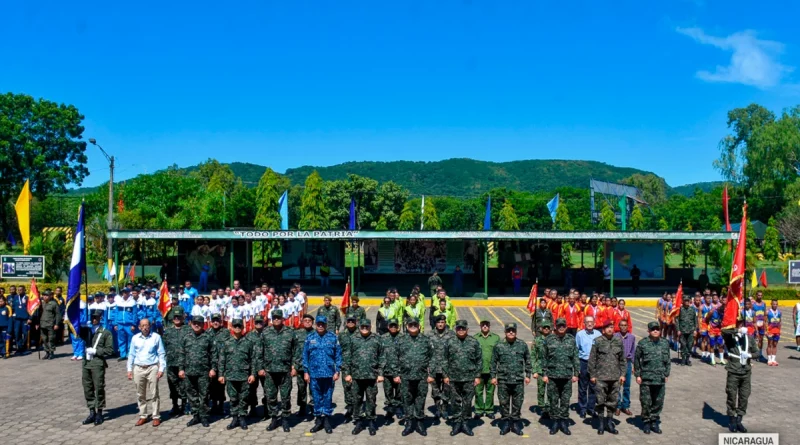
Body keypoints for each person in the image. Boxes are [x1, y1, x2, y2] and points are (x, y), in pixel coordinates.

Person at [259, 309, 297, 432]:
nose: (276, 319)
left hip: (285, 370)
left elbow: (296, 351)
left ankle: (285, 419)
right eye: (274, 317)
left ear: (283, 319)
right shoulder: (265, 332)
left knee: (285, 397)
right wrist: (260, 367)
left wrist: (294, 366)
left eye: (278, 318)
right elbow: (259, 351)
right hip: (269, 371)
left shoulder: (290, 332)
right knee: (271, 397)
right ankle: (274, 419)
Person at [343, 318, 384, 436]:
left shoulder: (377, 339)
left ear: (370, 327)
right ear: (359, 327)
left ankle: (371, 421)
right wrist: (347, 373)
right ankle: (359, 422)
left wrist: (380, 373)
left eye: (367, 327)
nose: (365, 329)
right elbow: (347, 357)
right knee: (357, 400)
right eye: (363, 327)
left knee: (371, 400)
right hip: (356, 376)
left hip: (372, 376)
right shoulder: (353, 339)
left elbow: (382, 357)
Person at [490, 322, 531, 436]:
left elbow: (527, 360)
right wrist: (493, 377)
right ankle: (506, 423)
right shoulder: (499, 345)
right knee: (504, 403)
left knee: (517, 403)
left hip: (518, 380)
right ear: (505, 332)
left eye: (513, 330)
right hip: (503, 380)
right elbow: (493, 362)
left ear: (516, 332)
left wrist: (528, 375)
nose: (511, 332)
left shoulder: (522, 345)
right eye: (509, 330)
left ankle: (516, 423)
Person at [443, 319, 482, 436]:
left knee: (467, 402)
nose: (461, 330)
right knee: (455, 401)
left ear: (467, 330)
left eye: (463, 328)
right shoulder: (449, 342)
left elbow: (479, 360)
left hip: (469, 378)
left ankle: (465, 422)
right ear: (456, 330)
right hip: (453, 378)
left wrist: (477, 376)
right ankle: (456, 423)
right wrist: (445, 375)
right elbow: (445, 359)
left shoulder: (474, 342)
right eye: (458, 328)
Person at [304, 315, 341, 434]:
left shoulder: (333, 337)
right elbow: (305, 356)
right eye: (318, 324)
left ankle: (327, 420)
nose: (320, 326)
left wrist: (337, 370)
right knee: (316, 398)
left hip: (329, 374)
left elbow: (338, 355)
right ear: (316, 324)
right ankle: (318, 420)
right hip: (314, 374)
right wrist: (306, 372)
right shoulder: (310, 337)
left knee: (328, 397)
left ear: (326, 325)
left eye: (322, 324)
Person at [218, 318, 257, 430]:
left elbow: (253, 360)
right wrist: (221, 375)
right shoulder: (226, 343)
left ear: (243, 328)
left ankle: (242, 417)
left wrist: (253, 374)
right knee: (233, 398)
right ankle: (235, 418)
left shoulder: (248, 343)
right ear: (231, 327)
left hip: (244, 376)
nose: (237, 328)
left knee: (244, 398)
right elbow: (222, 360)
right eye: (235, 326)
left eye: (239, 326)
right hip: (230, 375)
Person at [542, 318, 579, 435]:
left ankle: (563, 422)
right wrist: (544, 374)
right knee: (553, 400)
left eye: (563, 325)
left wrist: (576, 373)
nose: (561, 327)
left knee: (565, 400)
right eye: (559, 326)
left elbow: (575, 357)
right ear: (555, 327)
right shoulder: (549, 339)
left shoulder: (571, 339)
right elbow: (544, 358)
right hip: (552, 375)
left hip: (567, 375)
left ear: (566, 327)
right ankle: (554, 422)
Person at [396, 317, 432, 437]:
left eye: (415, 324)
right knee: (407, 399)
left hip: (422, 376)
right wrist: (396, 374)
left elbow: (433, 358)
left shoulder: (426, 340)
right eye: (410, 324)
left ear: (419, 326)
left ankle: (420, 422)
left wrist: (431, 374)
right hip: (405, 376)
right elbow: (393, 357)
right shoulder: (401, 340)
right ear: (406, 327)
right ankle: (409, 422)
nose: (413, 326)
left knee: (420, 399)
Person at [588, 320, 625, 435]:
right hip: (600, 377)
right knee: (600, 402)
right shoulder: (597, 341)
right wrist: (592, 375)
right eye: (607, 327)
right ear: (603, 330)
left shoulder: (618, 341)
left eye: (612, 327)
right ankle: (601, 424)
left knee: (612, 402)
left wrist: (623, 374)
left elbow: (623, 360)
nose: (610, 329)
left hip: (615, 378)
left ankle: (609, 423)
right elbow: (592, 359)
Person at [127, 318, 167, 427]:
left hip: (152, 368)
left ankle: (156, 416)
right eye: (142, 325)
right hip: (138, 368)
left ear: (150, 326)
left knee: (154, 393)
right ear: (139, 327)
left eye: (147, 325)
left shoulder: (156, 337)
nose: (145, 327)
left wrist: (161, 369)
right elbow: (131, 354)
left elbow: (161, 354)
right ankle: (143, 415)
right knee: (140, 394)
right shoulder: (135, 338)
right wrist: (129, 369)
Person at [179, 314, 216, 427]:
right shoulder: (186, 337)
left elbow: (214, 354)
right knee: (192, 395)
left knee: (204, 395)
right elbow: (181, 354)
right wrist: (181, 369)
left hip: (203, 372)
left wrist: (213, 368)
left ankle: (204, 416)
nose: (196, 325)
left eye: (199, 323)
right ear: (191, 324)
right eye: (194, 323)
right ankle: (196, 416)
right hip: (189, 372)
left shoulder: (208, 337)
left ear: (203, 324)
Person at [634, 321, 671, 434]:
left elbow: (668, 360)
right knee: (646, 401)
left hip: (659, 378)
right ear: (649, 331)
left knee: (658, 401)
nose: (655, 331)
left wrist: (666, 374)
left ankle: (654, 420)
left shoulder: (665, 343)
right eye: (653, 329)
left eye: (657, 329)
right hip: (646, 378)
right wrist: (638, 375)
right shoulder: (643, 343)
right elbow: (637, 360)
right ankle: (646, 421)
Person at [724, 320, 759, 433]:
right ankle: (732, 420)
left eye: (742, 325)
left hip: (746, 372)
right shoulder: (731, 338)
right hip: (734, 371)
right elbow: (723, 331)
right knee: (731, 396)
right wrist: (736, 331)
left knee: (744, 396)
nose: (741, 327)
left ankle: (739, 419)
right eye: (739, 325)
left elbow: (757, 352)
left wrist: (750, 355)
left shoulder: (749, 338)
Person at [81, 309, 114, 426]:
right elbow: (74, 330)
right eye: (92, 317)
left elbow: (110, 350)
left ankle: (99, 412)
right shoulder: (87, 330)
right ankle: (91, 411)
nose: (94, 319)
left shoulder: (105, 332)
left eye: (96, 317)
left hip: (97, 363)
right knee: (87, 387)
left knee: (99, 387)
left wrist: (96, 351)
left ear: (100, 318)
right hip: (86, 363)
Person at [162, 306, 188, 416]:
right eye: (175, 317)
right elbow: (163, 346)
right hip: (171, 363)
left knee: (185, 385)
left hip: (184, 364)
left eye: (179, 317)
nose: (177, 318)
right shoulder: (168, 331)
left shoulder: (188, 330)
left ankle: (184, 405)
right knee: (172, 385)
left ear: (183, 318)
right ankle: (175, 405)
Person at [428, 314, 455, 421]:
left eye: (442, 322)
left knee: (447, 389)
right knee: (435, 390)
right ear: (435, 324)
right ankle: (437, 409)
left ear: (445, 323)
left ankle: (444, 409)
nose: (440, 324)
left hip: (446, 368)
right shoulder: (429, 335)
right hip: (433, 368)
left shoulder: (451, 334)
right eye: (438, 322)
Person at [474, 319, 500, 419]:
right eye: (483, 324)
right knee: (478, 391)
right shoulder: (475, 338)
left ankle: (489, 410)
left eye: (486, 324)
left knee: (490, 392)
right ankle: (479, 410)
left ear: (489, 326)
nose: (485, 326)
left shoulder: (495, 338)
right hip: (479, 371)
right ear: (480, 326)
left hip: (491, 371)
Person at [575, 315, 600, 418]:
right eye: (587, 322)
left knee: (594, 387)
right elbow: (576, 350)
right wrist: (577, 367)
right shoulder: (579, 334)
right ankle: (583, 408)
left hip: (594, 364)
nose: (589, 324)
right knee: (582, 387)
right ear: (584, 323)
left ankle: (591, 408)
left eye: (591, 322)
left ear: (594, 323)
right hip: (583, 362)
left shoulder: (598, 334)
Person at [379, 318, 404, 421]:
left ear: (398, 327)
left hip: (399, 371)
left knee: (399, 391)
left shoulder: (403, 338)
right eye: (391, 326)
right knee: (388, 391)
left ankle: (398, 408)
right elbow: (379, 354)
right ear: (388, 327)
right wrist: (380, 371)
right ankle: (389, 409)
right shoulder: (383, 338)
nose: (393, 328)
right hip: (387, 371)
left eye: (395, 326)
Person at [207, 313, 231, 414]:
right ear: (211, 322)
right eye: (214, 321)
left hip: (222, 363)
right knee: (211, 385)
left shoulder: (226, 332)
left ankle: (221, 405)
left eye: (217, 320)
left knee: (221, 385)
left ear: (221, 322)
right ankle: (214, 404)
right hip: (210, 363)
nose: (215, 322)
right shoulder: (207, 332)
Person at [293, 314, 315, 420]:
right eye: (305, 320)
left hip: (313, 367)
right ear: (302, 322)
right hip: (300, 366)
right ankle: (302, 407)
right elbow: (293, 350)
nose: (307, 322)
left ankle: (313, 408)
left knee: (313, 388)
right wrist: (293, 366)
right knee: (301, 388)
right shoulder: (297, 334)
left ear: (312, 322)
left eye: (309, 320)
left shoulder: (316, 334)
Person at [339, 315, 359, 421]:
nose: (350, 322)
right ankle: (350, 407)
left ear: (356, 322)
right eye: (349, 321)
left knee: (357, 388)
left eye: (353, 321)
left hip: (358, 366)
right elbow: (338, 349)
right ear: (346, 323)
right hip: (345, 365)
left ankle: (357, 408)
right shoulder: (342, 335)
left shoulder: (360, 333)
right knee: (347, 387)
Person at [531, 319, 551, 419]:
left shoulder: (554, 339)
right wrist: (534, 371)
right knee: (541, 390)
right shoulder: (537, 340)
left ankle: (549, 408)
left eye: (548, 327)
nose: (546, 329)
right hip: (540, 369)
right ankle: (542, 408)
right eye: (544, 327)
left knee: (551, 390)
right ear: (540, 329)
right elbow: (533, 356)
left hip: (552, 369)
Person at [615, 319, 635, 417]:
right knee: (617, 386)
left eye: (625, 325)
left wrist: (634, 365)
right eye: (621, 325)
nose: (623, 327)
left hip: (627, 363)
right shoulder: (615, 337)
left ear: (628, 327)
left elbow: (633, 351)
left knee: (627, 386)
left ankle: (625, 406)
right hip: (617, 363)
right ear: (619, 326)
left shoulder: (631, 337)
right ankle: (618, 406)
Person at [115, 289, 138, 361]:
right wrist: (115, 324)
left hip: (129, 324)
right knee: (121, 339)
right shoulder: (118, 302)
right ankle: (123, 354)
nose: (125, 294)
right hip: (120, 323)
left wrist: (134, 324)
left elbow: (134, 314)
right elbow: (116, 313)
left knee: (130, 340)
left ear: (129, 293)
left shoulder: (132, 302)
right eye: (124, 292)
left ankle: (129, 354)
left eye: (126, 292)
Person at [38, 291, 62, 360]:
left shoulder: (54, 304)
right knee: (44, 339)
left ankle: (51, 352)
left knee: (51, 339)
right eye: (43, 295)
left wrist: (57, 324)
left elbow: (58, 314)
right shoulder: (41, 303)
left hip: (50, 324)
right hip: (43, 324)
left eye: (46, 295)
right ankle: (47, 352)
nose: (44, 297)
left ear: (50, 296)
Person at [8, 286, 31, 355]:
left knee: (25, 334)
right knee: (17, 334)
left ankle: (24, 348)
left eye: (21, 290)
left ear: (24, 290)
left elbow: (31, 309)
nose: (19, 291)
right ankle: (19, 348)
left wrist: (30, 318)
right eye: (18, 290)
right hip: (17, 320)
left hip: (25, 319)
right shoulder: (15, 297)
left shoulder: (27, 298)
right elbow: (13, 307)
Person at [676, 296, 698, 366]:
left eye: (688, 301)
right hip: (682, 331)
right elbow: (677, 320)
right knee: (683, 345)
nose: (686, 302)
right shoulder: (680, 309)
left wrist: (695, 330)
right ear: (683, 301)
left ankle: (687, 359)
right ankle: (683, 359)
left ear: (689, 301)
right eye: (685, 301)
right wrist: (678, 329)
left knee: (690, 345)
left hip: (691, 331)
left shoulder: (692, 309)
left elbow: (695, 320)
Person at [766, 300, 781, 366]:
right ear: (771, 304)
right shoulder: (768, 312)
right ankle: (769, 360)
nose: (775, 305)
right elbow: (765, 321)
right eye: (773, 304)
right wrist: (766, 331)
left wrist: (780, 330)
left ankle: (773, 359)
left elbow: (780, 321)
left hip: (777, 331)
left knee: (775, 345)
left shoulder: (779, 312)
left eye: (776, 304)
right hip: (770, 331)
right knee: (769, 344)